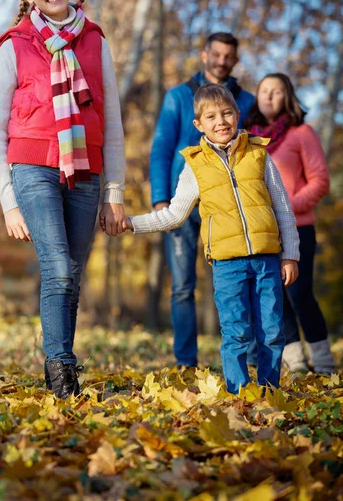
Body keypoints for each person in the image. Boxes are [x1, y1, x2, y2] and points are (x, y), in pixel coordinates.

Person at [0, 0, 127, 399]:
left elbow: (114, 124)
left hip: (86, 168)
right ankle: (62, 372)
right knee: (59, 271)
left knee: (73, 275)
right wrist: (8, 200)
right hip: (31, 167)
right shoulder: (14, 45)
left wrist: (115, 192)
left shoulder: (95, 41)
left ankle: (60, 361)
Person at [123, 83, 300, 394]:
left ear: (237, 114)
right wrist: (131, 223)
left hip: (267, 260)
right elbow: (174, 215)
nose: (221, 121)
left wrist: (291, 255)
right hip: (227, 265)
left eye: (227, 113)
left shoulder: (258, 154)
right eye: (211, 116)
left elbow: (283, 207)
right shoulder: (195, 166)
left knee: (271, 331)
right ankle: (239, 393)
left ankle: (270, 391)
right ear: (198, 124)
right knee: (237, 332)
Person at [150, 33, 254, 369]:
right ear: (204, 55)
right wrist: (159, 199)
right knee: (182, 286)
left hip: (229, 206)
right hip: (183, 202)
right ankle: (186, 362)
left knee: (240, 284)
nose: (222, 61)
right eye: (217, 54)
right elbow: (161, 149)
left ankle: (247, 359)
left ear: (235, 60)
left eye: (229, 56)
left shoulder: (247, 101)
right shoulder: (178, 97)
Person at [245, 73, 336, 374]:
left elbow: (320, 182)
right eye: (265, 91)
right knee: (275, 297)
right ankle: (296, 364)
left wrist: (286, 207)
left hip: (298, 229)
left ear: (288, 97)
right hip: (263, 232)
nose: (270, 96)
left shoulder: (301, 133)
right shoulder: (248, 137)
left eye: (278, 92)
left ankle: (324, 363)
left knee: (299, 295)